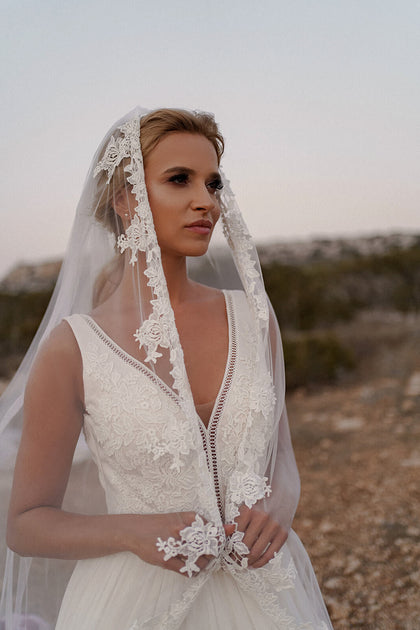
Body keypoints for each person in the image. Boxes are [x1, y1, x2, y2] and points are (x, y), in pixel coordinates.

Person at [0, 107, 333, 629]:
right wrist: (132, 531)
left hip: (264, 593)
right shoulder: (74, 349)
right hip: (130, 604)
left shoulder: (253, 317)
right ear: (126, 199)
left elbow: (280, 461)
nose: (207, 200)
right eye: (180, 180)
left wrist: (278, 509)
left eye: (214, 182)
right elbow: (25, 525)